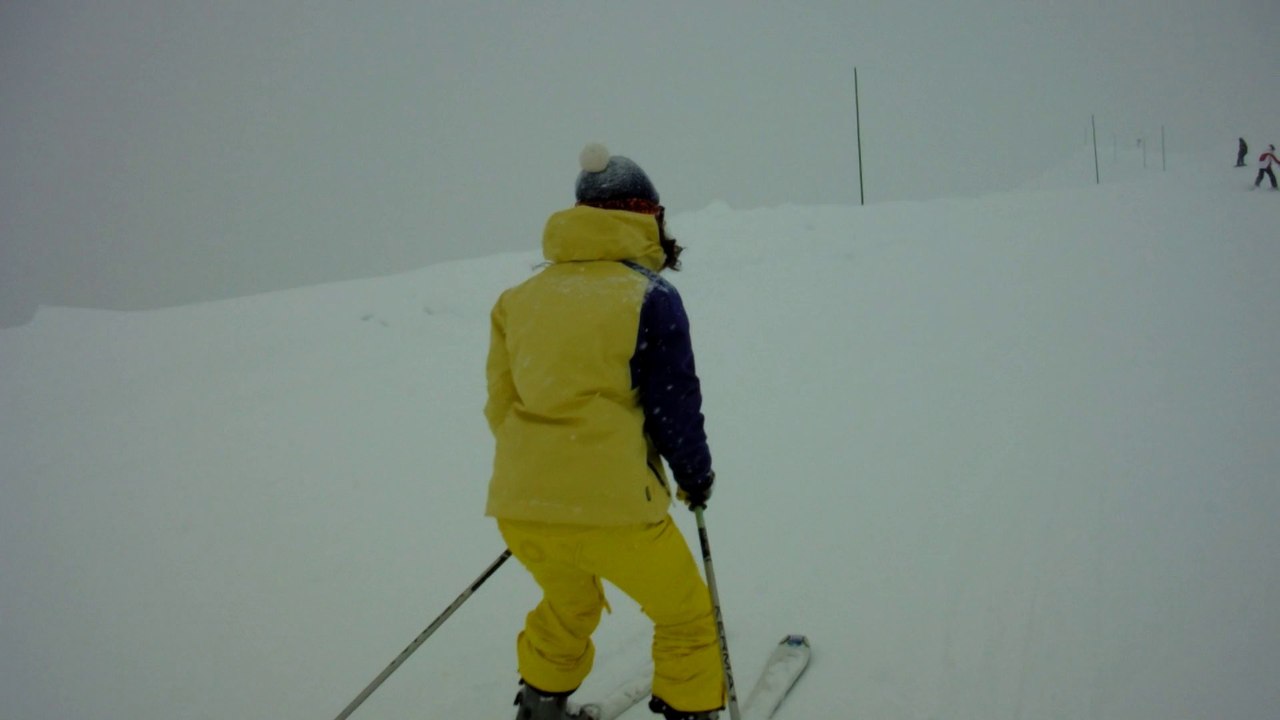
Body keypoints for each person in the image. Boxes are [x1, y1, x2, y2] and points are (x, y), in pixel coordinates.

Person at [485, 142, 722, 720]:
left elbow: (501, 405)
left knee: (568, 608)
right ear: (646, 216)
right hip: (618, 512)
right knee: (687, 618)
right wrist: (695, 475)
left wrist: (544, 481)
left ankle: (539, 711)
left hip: (525, 507)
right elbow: (673, 408)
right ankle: (693, 712)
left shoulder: (519, 300)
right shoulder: (649, 296)